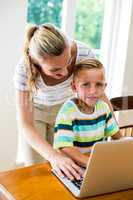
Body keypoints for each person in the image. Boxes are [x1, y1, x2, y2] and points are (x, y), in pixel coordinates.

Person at [14, 23, 113, 179]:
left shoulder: (83, 53)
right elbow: (25, 123)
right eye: (55, 69)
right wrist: (53, 156)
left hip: (66, 113)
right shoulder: (24, 69)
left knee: (68, 171)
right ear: (36, 62)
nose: (65, 72)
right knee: (37, 173)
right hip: (36, 116)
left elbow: (99, 94)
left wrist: (114, 132)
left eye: (68, 62)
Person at [54, 58, 122, 167]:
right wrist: (92, 164)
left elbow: (117, 136)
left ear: (105, 86)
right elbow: (65, 147)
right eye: (86, 84)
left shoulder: (103, 108)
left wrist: (125, 145)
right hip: (73, 166)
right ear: (74, 87)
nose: (93, 91)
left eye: (99, 84)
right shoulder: (68, 111)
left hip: (96, 164)